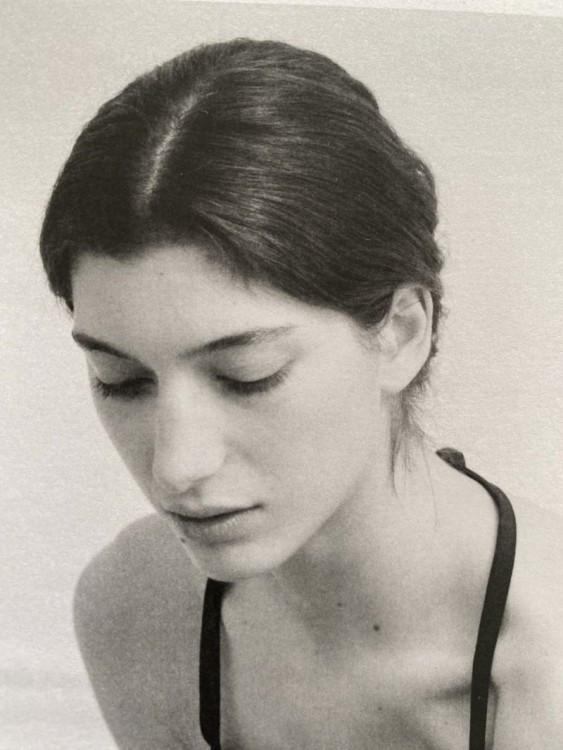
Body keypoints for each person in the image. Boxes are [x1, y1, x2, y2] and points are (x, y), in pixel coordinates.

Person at [40, 39, 563, 749]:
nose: (175, 467)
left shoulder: (546, 660)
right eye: (121, 381)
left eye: (246, 375)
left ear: (400, 334)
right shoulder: (138, 608)